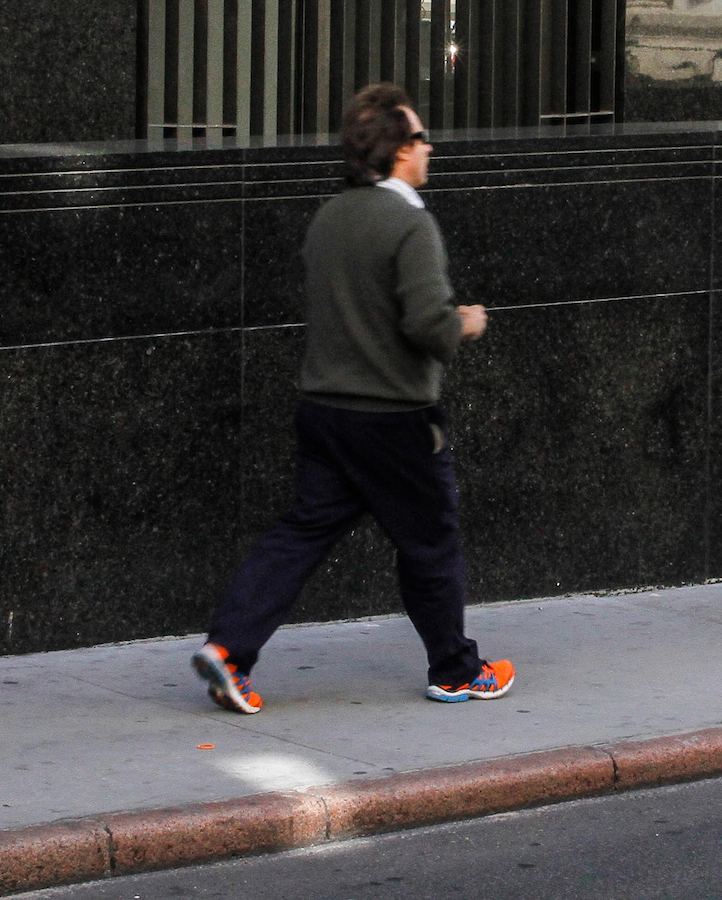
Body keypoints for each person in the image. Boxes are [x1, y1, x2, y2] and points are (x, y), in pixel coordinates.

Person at [192, 82, 511, 710]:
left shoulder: (330, 217)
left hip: (324, 412)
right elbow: (426, 324)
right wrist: (465, 322)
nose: (429, 147)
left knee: (301, 533)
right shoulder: (410, 223)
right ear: (399, 150)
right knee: (430, 543)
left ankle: (228, 649)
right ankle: (456, 670)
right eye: (421, 137)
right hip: (394, 417)